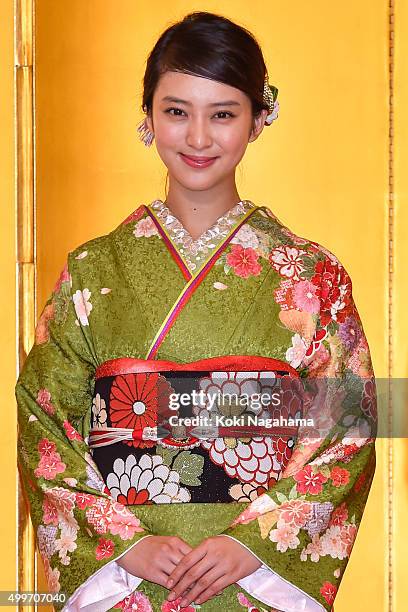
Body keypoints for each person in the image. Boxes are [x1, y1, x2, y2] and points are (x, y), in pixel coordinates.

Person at [15, 10, 378, 612]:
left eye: (224, 114)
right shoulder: (91, 271)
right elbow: (41, 416)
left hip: (251, 575)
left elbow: (355, 423)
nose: (199, 138)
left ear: (260, 119)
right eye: (177, 111)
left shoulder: (314, 275)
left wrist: (255, 544)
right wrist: (123, 545)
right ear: (148, 117)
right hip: (128, 575)